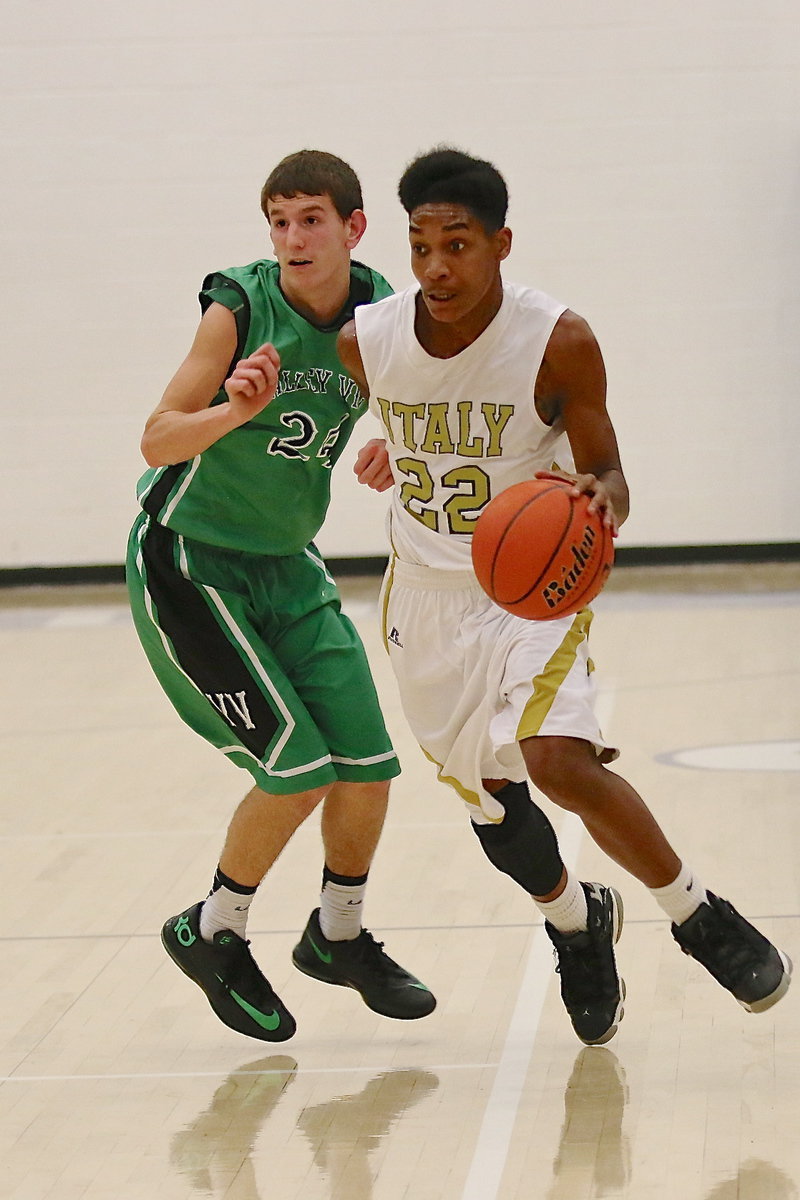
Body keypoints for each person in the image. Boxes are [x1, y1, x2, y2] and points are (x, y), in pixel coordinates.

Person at [338, 146, 792, 1045]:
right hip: (424, 595)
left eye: (457, 244)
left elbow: (609, 471)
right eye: (420, 245)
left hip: (530, 592)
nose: (436, 267)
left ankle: (698, 915)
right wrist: (388, 445)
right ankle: (577, 923)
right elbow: (384, 411)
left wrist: (601, 500)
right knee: (493, 801)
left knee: (555, 759)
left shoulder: (558, 340)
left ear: (501, 244)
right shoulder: (367, 340)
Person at [125, 150, 435, 1043]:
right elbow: (156, 439)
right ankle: (212, 929)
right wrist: (231, 410)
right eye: (279, 220)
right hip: (191, 562)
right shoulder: (238, 307)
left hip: (287, 561)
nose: (292, 237)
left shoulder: (380, 314)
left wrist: (397, 447)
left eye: (310, 219)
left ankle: (338, 935)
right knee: (298, 770)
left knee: (369, 765)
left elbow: (415, 407)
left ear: (353, 228)